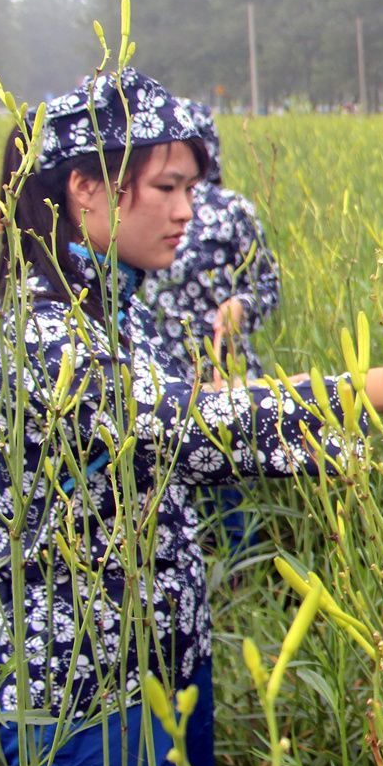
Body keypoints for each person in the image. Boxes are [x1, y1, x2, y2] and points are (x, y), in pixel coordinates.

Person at [0, 68, 383, 766]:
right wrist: (369, 389)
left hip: (163, 664)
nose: (187, 211)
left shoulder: (115, 310)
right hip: (86, 694)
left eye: (192, 189)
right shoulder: (41, 330)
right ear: (84, 188)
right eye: (167, 187)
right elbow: (176, 427)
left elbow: (191, 410)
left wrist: (352, 446)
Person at [138, 99, 280, 554]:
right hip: (161, 376)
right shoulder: (136, 212)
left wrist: (241, 306)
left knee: (232, 487)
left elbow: (267, 285)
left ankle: (241, 570)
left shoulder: (235, 211)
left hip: (224, 370)